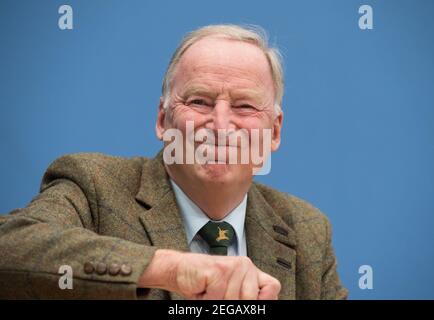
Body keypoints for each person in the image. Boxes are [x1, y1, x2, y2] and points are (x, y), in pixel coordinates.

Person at [0, 24, 348, 300]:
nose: (221, 125)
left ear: (274, 131)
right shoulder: (94, 187)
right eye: (199, 101)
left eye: (244, 106)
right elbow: (9, 250)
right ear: (163, 120)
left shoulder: (307, 231)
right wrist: (171, 269)